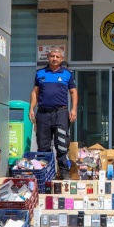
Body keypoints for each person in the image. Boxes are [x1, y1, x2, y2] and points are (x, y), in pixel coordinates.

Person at [29, 46, 78, 179]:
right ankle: (45, 174)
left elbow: (73, 92)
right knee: (43, 146)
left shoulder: (67, 74)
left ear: (62, 59)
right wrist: (31, 108)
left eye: (57, 56)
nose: (54, 58)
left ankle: (64, 173)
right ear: (48, 57)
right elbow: (35, 92)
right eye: (52, 56)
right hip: (43, 113)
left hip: (61, 113)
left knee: (61, 145)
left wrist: (73, 109)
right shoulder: (40, 73)